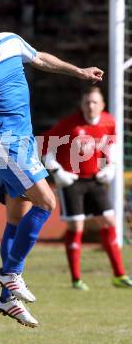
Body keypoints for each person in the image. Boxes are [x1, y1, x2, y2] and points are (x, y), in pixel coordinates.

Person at [0, 20, 104, 328]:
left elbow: (40, 58)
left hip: (25, 142)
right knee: (47, 203)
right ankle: (10, 273)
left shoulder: (11, 41)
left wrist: (78, 72)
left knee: (18, 217)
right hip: (4, 144)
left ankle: (7, 298)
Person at [43, 85, 132, 291]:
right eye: (87, 102)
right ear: (81, 104)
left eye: (94, 102)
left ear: (102, 105)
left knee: (109, 221)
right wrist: (57, 172)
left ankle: (119, 275)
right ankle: (76, 279)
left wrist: (111, 166)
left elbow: (113, 146)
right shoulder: (69, 125)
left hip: (95, 180)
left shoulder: (109, 121)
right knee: (77, 227)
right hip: (71, 181)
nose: (90, 106)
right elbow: (45, 149)